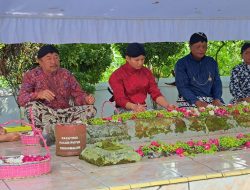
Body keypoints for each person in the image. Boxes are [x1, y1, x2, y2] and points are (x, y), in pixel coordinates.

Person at [18, 45, 96, 145]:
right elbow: (21, 99)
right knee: (31, 107)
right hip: (47, 116)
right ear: (39, 61)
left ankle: (64, 132)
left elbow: (78, 94)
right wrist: (38, 94)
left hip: (65, 115)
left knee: (90, 109)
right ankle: (51, 134)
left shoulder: (66, 74)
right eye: (48, 58)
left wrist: (86, 99)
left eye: (56, 57)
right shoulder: (31, 75)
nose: (53, 62)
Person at [109, 43, 172, 113]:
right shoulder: (116, 75)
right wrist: (134, 107)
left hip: (142, 108)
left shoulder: (146, 72)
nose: (140, 63)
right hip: (123, 110)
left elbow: (155, 93)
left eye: (142, 59)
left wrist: (167, 106)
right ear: (127, 58)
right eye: (137, 60)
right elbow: (120, 99)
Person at [175, 32, 224, 108]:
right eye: (198, 47)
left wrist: (217, 99)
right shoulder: (182, 63)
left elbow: (217, 83)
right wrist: (196, 101)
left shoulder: (211, 62)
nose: (201, 49)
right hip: (189, 100)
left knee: (224, 115)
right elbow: (182, 87)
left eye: (204, 47)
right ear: (190, 46)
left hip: (212, 100)